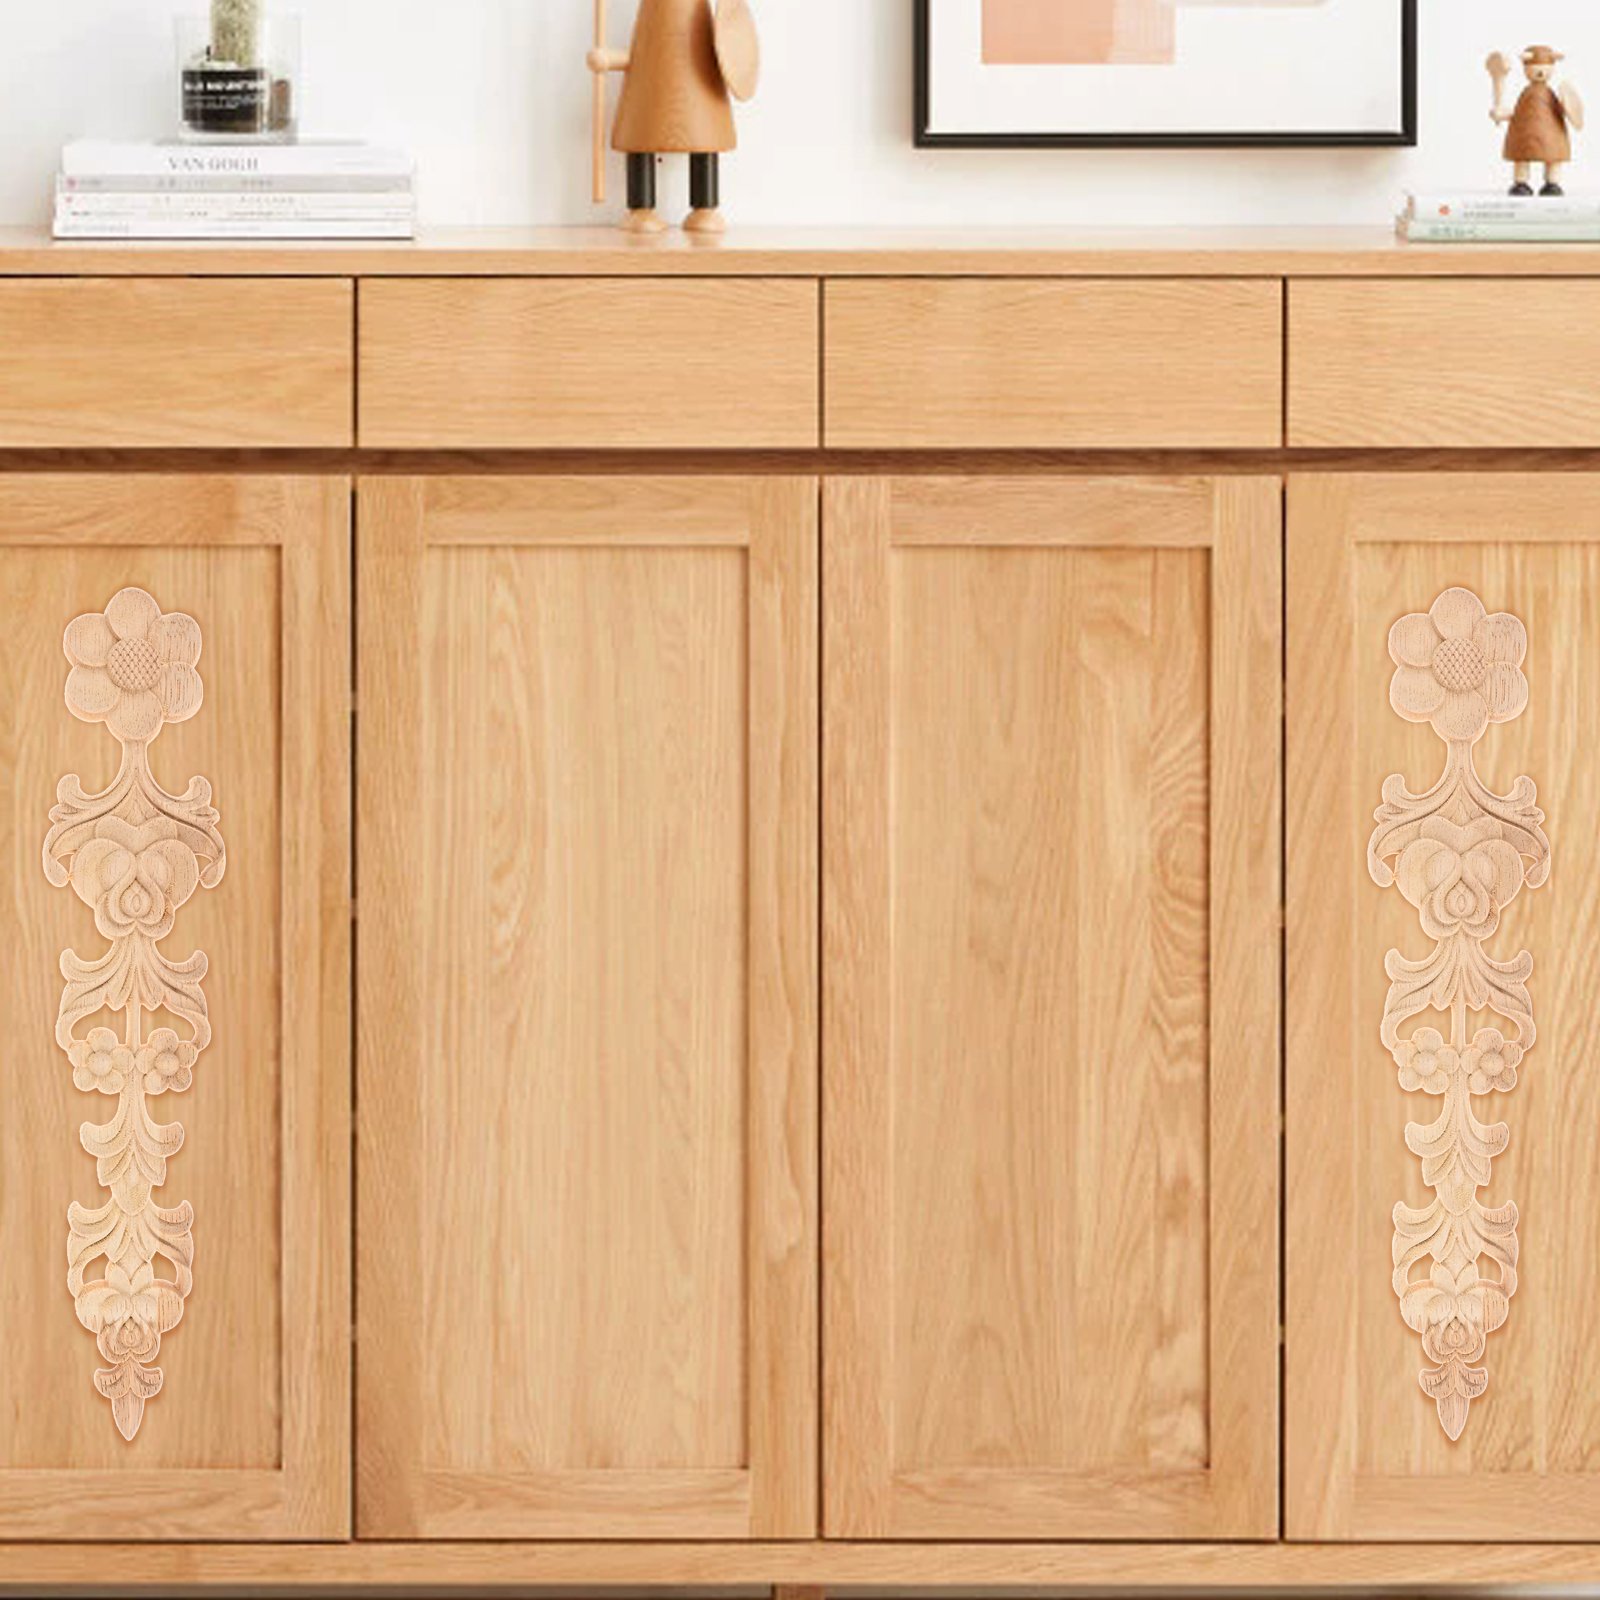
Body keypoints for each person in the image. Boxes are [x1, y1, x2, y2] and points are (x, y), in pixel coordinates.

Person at [1494, 45, 1584, 197]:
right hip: (1524, 134)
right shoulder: (1526, 94)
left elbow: (1564, 110)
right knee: (1521, 156)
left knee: (1553, 156)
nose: (1541, 72)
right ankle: (1521, 183)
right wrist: (1500, 113)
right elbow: (1516, 114)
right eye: (1536, 67)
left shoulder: (1551, 94)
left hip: (1551, 135)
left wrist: (1568, 108)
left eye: (1545, 67)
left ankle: (1552, 183)